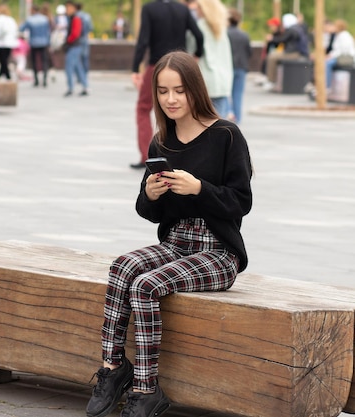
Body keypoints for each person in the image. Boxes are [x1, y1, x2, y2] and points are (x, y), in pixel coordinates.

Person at [85, 50, 252, 417]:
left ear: (195, 89)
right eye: (162, 91)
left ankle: (146, 390)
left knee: (145, 286)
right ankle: (113, 370)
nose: (171, 99)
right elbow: (149, 213)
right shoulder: (161, 140)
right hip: (176, 243)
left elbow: (241, 202)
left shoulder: (226, 135)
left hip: (218, 252)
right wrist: (149, 194)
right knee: (121, 267)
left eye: (179, 90)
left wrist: (199, 189)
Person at [130, 0, 204, 169]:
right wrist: (197, 55)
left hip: (157, 66)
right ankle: (184, 153)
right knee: (182, 108)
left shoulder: (149, 9)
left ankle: (147, 156)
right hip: (180, 66)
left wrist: (135, 68)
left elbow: (143, 40)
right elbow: (199, 35)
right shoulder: (183, 9)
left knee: (143, 108)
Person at [196, 0, 233, 117]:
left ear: (204, 9)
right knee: (220, 123)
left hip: (205, 79)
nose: (196, 10)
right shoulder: (221, 27)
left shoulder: (200, 25)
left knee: (203, 123)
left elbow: (191, 50)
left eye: (198, 7)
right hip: (223, 80)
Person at [265, 13, 305, 87]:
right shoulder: (296, 28)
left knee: (272, 56)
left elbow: (283, 39)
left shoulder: (292, 29)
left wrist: (272, 39)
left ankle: (271, 80)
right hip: (295, 52)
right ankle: (273, 80)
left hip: (294, 53)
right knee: (273, 55)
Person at [226, 8, 251, 123]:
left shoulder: (225, 34)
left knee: (225, 93)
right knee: (238, 94)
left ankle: (229, 114)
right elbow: (249, 52)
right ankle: (237, 118)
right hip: (241, 67)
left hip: (228, 66)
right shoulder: (244, 35)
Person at [20, 4, 52, 87]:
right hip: (44, 42)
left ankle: (36, 80)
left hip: (34, 42)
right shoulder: (44, 19)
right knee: (44, 61)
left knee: (34, 62)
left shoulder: (30, 20)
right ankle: (44, 79)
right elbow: (48, 31)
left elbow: (22, 29)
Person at [63, 1, 88, 97]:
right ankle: (85, 86)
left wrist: (67, 41)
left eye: (68, 8)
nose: (67, 10)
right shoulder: (73, 18)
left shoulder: (76, 18)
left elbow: (75, 34)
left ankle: (70, 88)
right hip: (75, 45)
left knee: (69, 67)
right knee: (78, 67)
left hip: (74, 46)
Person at [0, 4, 19, 80]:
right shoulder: (11, 19)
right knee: (5, 60)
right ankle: (2, 74)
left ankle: (6, 75)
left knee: (2, 60)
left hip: (0, 43)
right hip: (9, 42)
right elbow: (15, 31)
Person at [325, 19, 355, 89]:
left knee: (327, 64)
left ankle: (327, 86)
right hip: (340, 56)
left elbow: (342, 50)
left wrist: (330, 56)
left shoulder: (344, 36)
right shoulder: (338, 36)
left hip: (346, 57)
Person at [76, 3, 93, 78]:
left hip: (76, 40)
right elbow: (91, 28)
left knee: (77, 58)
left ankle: (79, 76)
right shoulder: (87, 16)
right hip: (84, 38)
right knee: (85, 57)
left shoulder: (74, 16)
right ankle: (85, 75)